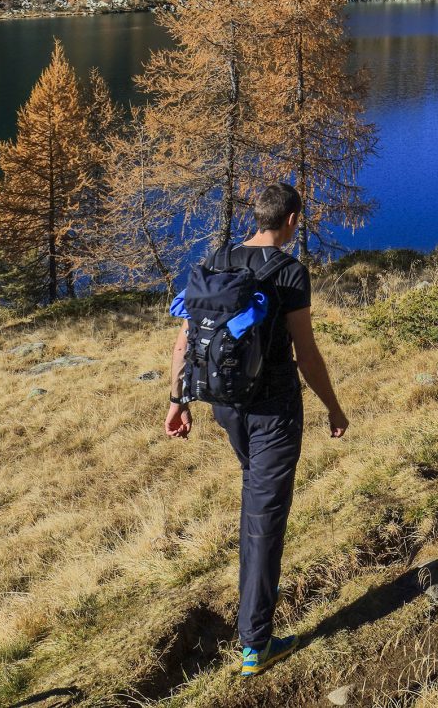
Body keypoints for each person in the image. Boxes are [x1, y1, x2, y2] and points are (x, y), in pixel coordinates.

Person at [162, 183, 350, 679]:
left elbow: (187, 339)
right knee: (267, 519)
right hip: (273, 411)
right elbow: (305, 353)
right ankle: (256, 642)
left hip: (226, 407)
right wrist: (333, 406)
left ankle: (253, 614)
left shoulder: (218, 259)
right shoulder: (289, 272)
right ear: (290, 219)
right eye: (298, 220)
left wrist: (178, 400)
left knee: (256, 497)